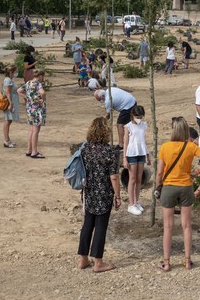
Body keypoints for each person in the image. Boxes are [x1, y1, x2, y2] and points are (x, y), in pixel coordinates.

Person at [155, 117, 200, 271]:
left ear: (174, 130)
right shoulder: (190, 147)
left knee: (168, 226)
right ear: (186, 131)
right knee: (186, 225)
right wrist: (197, 171)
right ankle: (187, 261)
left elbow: (160, 172)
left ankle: (167, 263)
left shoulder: (165, 147)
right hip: (186, 187)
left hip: (168, 187)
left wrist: (157, 187)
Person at [77, 117, 121, 273]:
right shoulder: (109, 151)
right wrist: (118, 196)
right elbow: (114, 176)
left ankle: (83, 259)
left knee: (87, 224)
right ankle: (98, 262)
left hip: (89, 191)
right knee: (101, 226)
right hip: (104, 193)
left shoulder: (85, 149)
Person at [123, 105, 150, 216]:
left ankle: (137, 201)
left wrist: (147, 155)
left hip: (141, 153)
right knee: (132, 178)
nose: (138, 118)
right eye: (136, 116)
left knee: (139, 178)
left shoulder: (143, 125)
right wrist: (125, 158)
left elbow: (143, 141)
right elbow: (125, 143)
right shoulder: (128, 127)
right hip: (132, 154)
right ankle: (131, 204)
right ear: (132, 116)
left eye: (140, 116)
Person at [17, 69, 46, 159]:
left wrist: (27, 98)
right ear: (40, 76)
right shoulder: (38, 84)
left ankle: (29, 150)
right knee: (36, 131)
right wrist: (42, 99)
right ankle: (34, 152)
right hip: (37, 110)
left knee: (31, 130)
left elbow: (18, 90)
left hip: (29, 109)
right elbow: (42, 92)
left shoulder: (28, 83)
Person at [2, 65, 20, 148]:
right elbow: (8, 92)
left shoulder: (9, 80)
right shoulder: (8, 80)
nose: (17, 72)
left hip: (12, 101)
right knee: (7, 120)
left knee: (9, 120)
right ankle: (6, 140)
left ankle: (8, 139)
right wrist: (11, 103)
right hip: (10, 102)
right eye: (16, 71)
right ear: (12, 72)